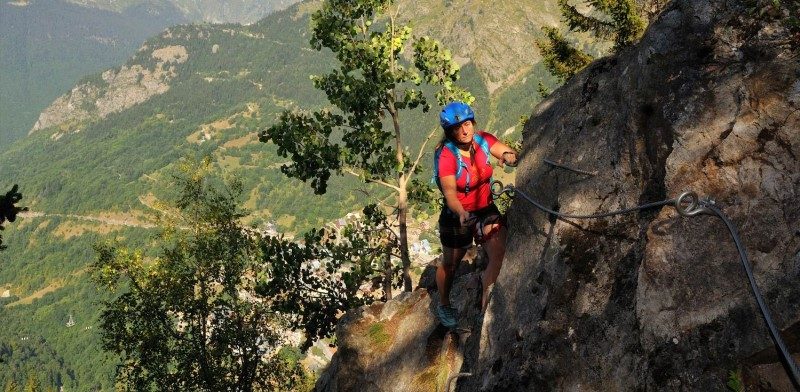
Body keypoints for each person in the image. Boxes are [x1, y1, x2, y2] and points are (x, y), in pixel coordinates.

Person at [433, 101, 517, 329]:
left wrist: (509, 156)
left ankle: (486, 310)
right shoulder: (447, 156)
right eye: (457, 127)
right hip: (456, 214)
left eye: (467, 124)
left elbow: (505, 150)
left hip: (484, 208)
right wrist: (460, 211)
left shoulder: (482, 140)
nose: (464, 130)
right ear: (450, 132)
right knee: (451, 263)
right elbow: (450, 193)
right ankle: (443, 302)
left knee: (499, 253)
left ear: (473, 123)